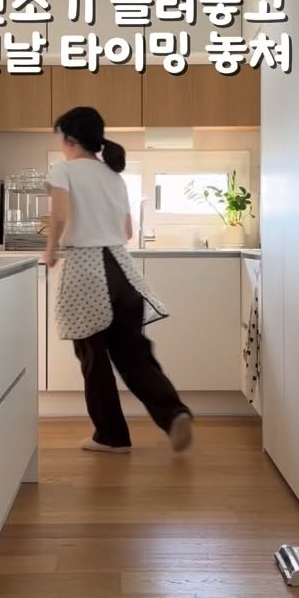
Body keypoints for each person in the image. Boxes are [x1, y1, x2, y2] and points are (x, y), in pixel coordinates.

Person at [44, 106, 193, 454]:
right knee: (134, 354)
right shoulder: (113, 175)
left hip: (87, 270)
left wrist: (50, 249)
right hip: (123, 272)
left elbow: (60, 215)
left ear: (70, 139)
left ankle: (111, 436)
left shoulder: (63, 169)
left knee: (93, 357)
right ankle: (174, 414)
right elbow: (126, 231)